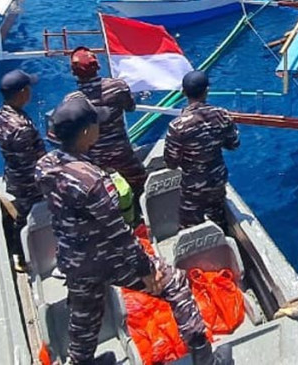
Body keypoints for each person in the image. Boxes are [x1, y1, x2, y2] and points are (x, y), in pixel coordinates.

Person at [35, 96, 221, 365]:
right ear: (87, 132)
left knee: (84, 317)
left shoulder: (44, 166)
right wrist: (146, 269)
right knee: (175, 284)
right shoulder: (93, 181)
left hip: (73, 260)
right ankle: (205, 358)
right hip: (107, 258)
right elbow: (119, 234)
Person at [64, 47, 148, 197]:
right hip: (122, 152)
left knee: (102, 194)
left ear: (74, 72)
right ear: (97, 67)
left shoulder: (72, 100)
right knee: (141, 184)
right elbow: (130, 107)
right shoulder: (117, 87)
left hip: (94, 160)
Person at [164, 70, 240, 228]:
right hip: (217, 180)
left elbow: (171, 163)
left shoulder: (177, 126)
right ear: (207, 91)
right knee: (218, 217)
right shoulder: (223, 115)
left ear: (184, 92)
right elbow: (234, 144)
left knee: (189, 225)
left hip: (193, 186)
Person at [0, 69, 46, 234]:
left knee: (22, 212)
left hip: (12, 175)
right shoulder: (21, 127)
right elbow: (29, 164)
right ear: (22, 93)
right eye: (28, 88)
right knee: (32, 219)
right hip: (28, 184)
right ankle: (22, 247)